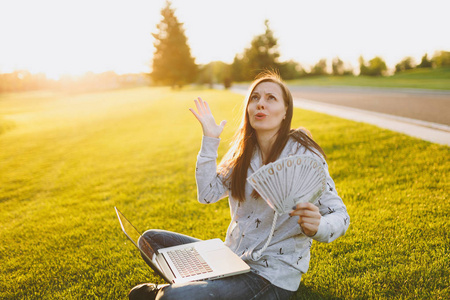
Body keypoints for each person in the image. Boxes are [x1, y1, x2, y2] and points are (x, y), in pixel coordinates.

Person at [128, 71, 350, 300]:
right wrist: (210, 140)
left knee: (169, 298)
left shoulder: (304, 153)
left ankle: (174, 292)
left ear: (286, 112)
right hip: (230, 260)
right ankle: (194, 286)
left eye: (270, 98)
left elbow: (340, 215)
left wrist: (318, 226)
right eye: (254, 98)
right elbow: (207, 194)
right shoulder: (244, 153)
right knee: (149, 240)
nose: (260, 103)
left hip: (268, 277)